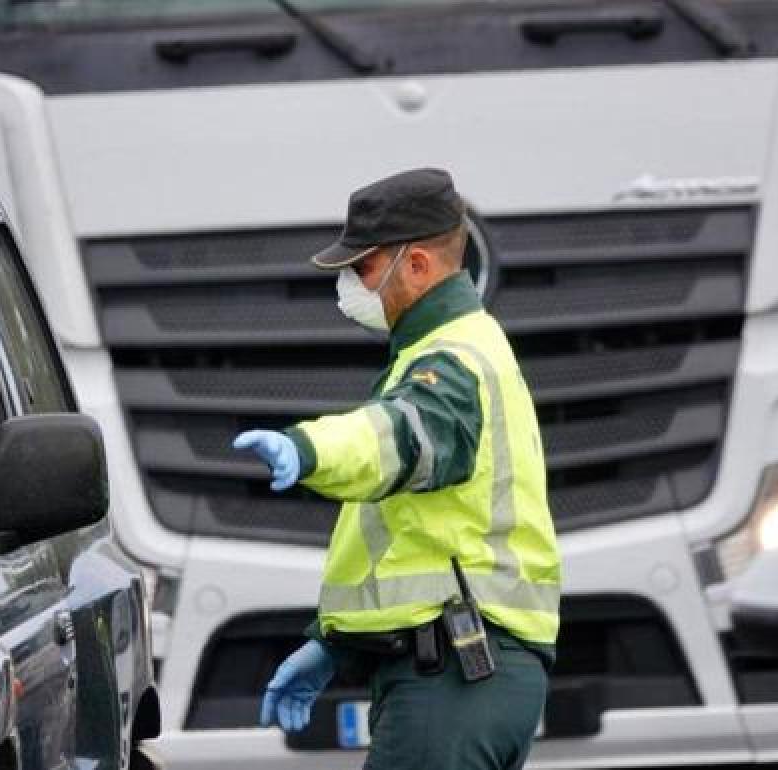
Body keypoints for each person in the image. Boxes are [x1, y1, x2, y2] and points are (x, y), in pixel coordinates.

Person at [233, 169, 561, 770]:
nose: (351, 287)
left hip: (458, 673)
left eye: (362, 268)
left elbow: (399, 439)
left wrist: (307, 450)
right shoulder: (454, 345)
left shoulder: (452, 361)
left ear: (415, 265)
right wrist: (330, 644)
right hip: (466, 670)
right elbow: (418, 537)